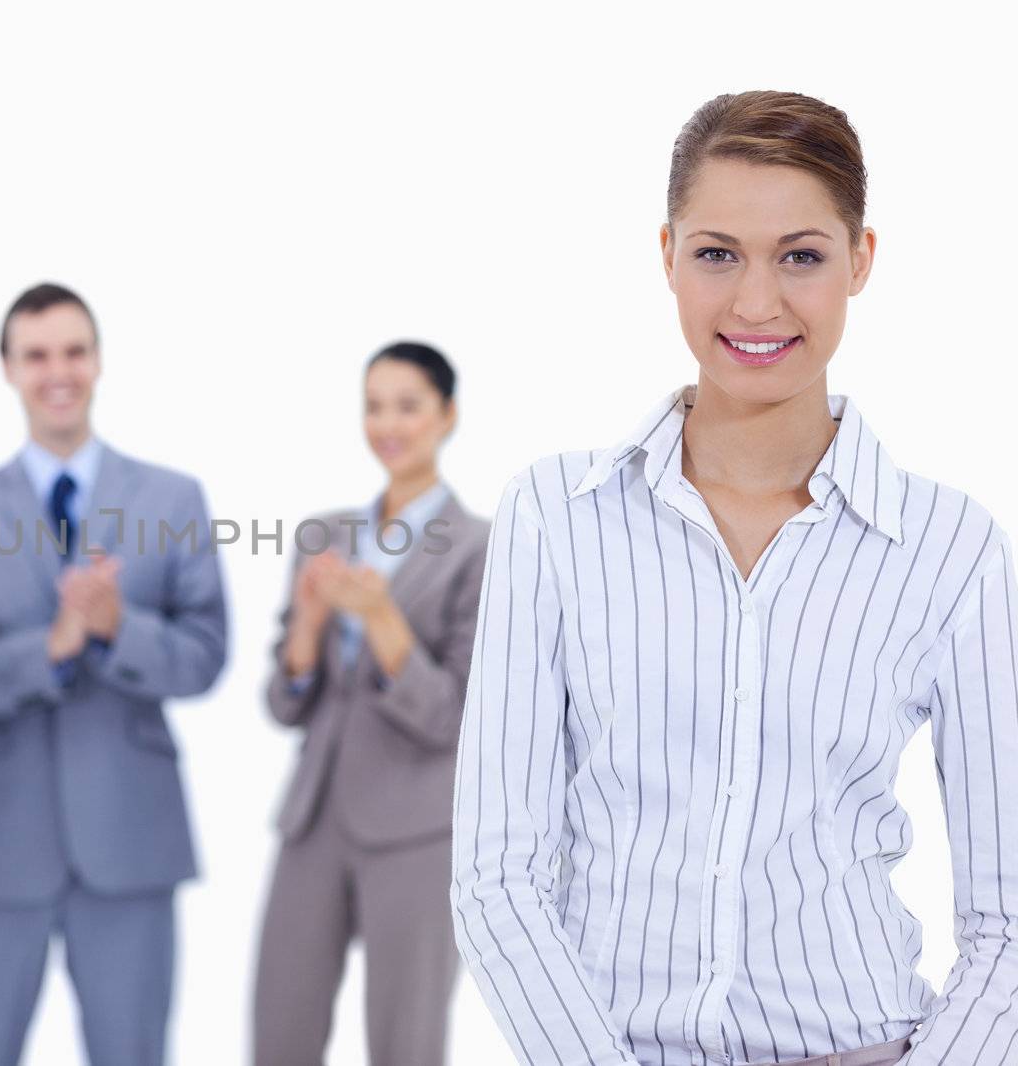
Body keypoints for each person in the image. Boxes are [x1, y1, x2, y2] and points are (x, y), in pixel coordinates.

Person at [451, 90, 1018, 1066]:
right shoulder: (555, 514)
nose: (756, 302)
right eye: (718, 253)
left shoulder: (948, 545)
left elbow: (1006, 919)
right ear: (666, 254)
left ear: (860, 260)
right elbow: (494, 874)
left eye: (800, 255)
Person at [0, 282, 228, 1066]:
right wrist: (50, 646)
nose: (58, 371)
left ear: (98, 361)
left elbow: (203, 656)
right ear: (8, 368)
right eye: (37, 355)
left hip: (130, 835)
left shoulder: (172, 497)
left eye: (74, 351)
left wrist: (118, 626)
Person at [252, 341, 490, 1066]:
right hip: (314, 815)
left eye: (408, 405)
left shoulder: (479, 546)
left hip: (417, 827)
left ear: (446, 415)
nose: (388, 423)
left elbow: (453, 715)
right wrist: (309, 629)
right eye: (375, 405)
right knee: (278, 1029)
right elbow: (284, 703)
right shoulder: (324, 536)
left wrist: (382, 619)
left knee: (404, 1041)